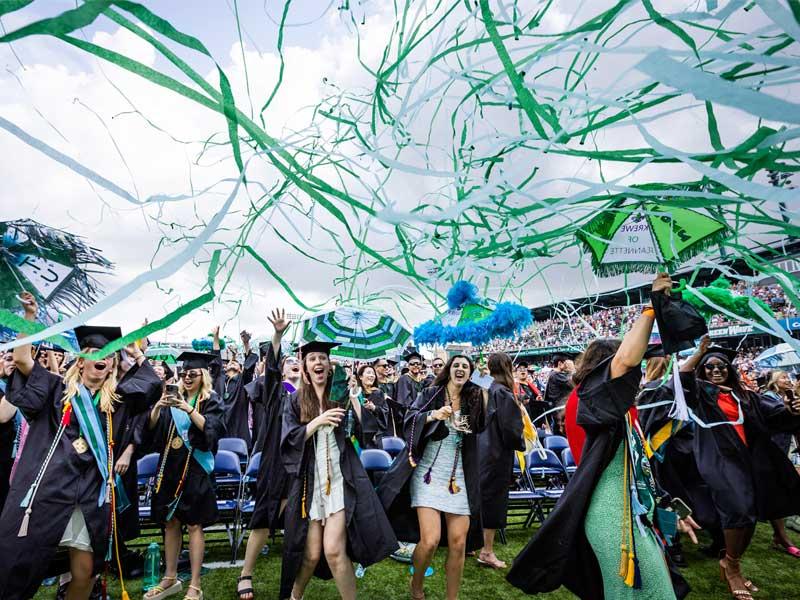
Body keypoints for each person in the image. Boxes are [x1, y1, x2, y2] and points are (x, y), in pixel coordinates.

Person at [507, 273, 695, 600]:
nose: (635, 378)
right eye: (629, 374)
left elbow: (639, 465)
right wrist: (651, 308)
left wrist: (664, 507)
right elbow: (624, 360)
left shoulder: (613, 408)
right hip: (612, 513)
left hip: (630, 509)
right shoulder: (589, 399)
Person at [0, 293, 156, 600]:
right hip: (48, 492)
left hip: (88, 497)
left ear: (113, 365)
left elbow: (152, 383)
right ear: (81, 359)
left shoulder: (118, 402)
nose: (104, 357)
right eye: (95, 352)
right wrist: (29, 317)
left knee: (85, 572)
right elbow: (21, 359)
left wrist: (137, 353)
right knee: (17, 568)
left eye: (109, 354)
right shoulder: (55, 390)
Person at [280, 340, 398, 600]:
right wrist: (318, 421)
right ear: (305, 367)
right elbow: (288, 440)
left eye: (323, 358)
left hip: (340, 482)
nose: (318, 363)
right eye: (312, 359)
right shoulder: (295, 400)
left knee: (333, 550)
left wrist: (355, 401)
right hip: (310, 486)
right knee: (310, 554)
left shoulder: (342, 396)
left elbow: (361, 431)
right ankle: (294, 597)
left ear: (329, 366)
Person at [680, 344, 800, 598]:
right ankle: (732, 566)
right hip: (717, 459)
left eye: (721, 366)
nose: (715, 370)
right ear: (702, 370)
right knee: (738, 508)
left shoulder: (746, 396)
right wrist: (699, 353)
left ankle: (731, 560)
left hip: (748, 460)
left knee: (750, 514)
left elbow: (776, 417)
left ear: (730, 369)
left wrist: (792, 409)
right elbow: (683, 378)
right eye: (709, 367)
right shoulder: (700, 395)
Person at [377, 354, 488, 600]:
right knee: (430, 540)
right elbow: (409, 419)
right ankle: (416, 585)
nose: (460, 369)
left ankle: (452, 597)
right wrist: (433, 415)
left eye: (466, 367)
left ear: (470, 373)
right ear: (449, 370)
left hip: (458, 477)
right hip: (427, 473)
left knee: (459, 542)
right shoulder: (431, 393)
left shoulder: (473, 399)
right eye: (456, 365)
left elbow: (483, 422)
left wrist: (484, 378)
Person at [145, 351, 226, 600]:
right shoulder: (172, 397)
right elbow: (153, 434)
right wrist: (158, 409)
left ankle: (194, 584)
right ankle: (170, 577)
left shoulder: (211, 399)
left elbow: (214, 430)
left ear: (203, 375)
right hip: (170, 467)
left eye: (193, 374)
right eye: (184, 374)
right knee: (170, 522)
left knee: (194, 524)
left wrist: (187, 409)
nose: (187, 377)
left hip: (196, 469)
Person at [636, 343, 723, 566]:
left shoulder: (652, 390)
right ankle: (719, 540)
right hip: (691, 451)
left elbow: (644, 427)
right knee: (700, 493)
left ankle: (675, 550)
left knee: (668, 499)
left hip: (665, 455)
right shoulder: (684, 387)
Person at [237, 310, 291, 600]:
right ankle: (246, 572)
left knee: (300, 524)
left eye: (299, 366)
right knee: (264, 517)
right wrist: (278, 336)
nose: (295, 369)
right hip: (276, 463)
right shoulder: (275, 392)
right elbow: (270, 369)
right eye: (290, 365)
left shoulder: (311, 397)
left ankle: (295, 580)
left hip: (303, 467)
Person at [479, 353, 525, 569]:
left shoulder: (486, 386)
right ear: (507, 367)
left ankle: (474, 544)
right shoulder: (503, 392)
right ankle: (487, 551)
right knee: (493, 501)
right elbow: (511, 429)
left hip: (480, 451)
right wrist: (521, 441)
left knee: (480, 498)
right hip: (496, 454)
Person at [354, 364, 391, 449]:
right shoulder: (355, 394)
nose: (372, 375)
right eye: (368, 373)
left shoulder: (378, 393)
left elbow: (385, 411)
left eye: (373, 374)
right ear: (360, 377)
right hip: (359, 434)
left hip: (375, 435)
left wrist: (374, 408)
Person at [394, 350, 427, 439]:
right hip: (409, 417)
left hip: (420, 416)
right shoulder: (404, 379)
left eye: (418, 364)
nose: (416, 365)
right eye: (412, 364)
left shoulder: (422, 381)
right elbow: (404, 401)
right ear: (408, 366)